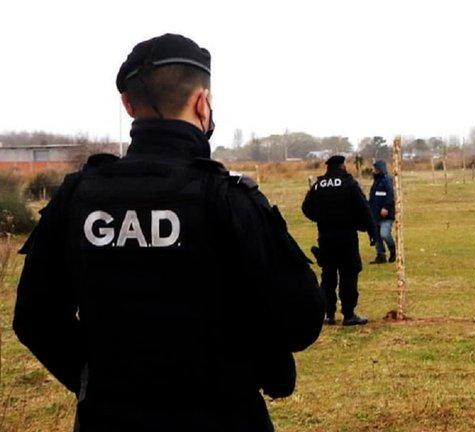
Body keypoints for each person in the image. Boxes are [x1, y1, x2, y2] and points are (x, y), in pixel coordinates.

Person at [12, 34, 324, 432]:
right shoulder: (228, 197)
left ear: (128, 105)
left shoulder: (78, 196)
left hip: (108, 420)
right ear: (202, 103)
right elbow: (301, 320)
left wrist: (99, 381)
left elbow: (35, 318)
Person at [302, 155, 377, 326]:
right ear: (342, 166)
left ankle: (328, 314)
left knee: (328, 276)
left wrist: (320, 218)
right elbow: (363, 208)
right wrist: (370, 230)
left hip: (326, 238)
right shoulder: (349, 184)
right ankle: (349, 315)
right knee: (348, 275)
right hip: (347, 238)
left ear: (328, 168)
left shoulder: (318, 185)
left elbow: (306, 208)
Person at [369, 160, 396, 264]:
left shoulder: (387, 180)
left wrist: (385, 207)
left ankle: (393, 251)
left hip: (386, 215)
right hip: (375, 214)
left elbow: (390, 195)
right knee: (376, 236)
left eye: (375, 169)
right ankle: (381, 256)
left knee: (384, 234)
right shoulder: (376, 182)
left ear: (379, 169)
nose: (373, 170)